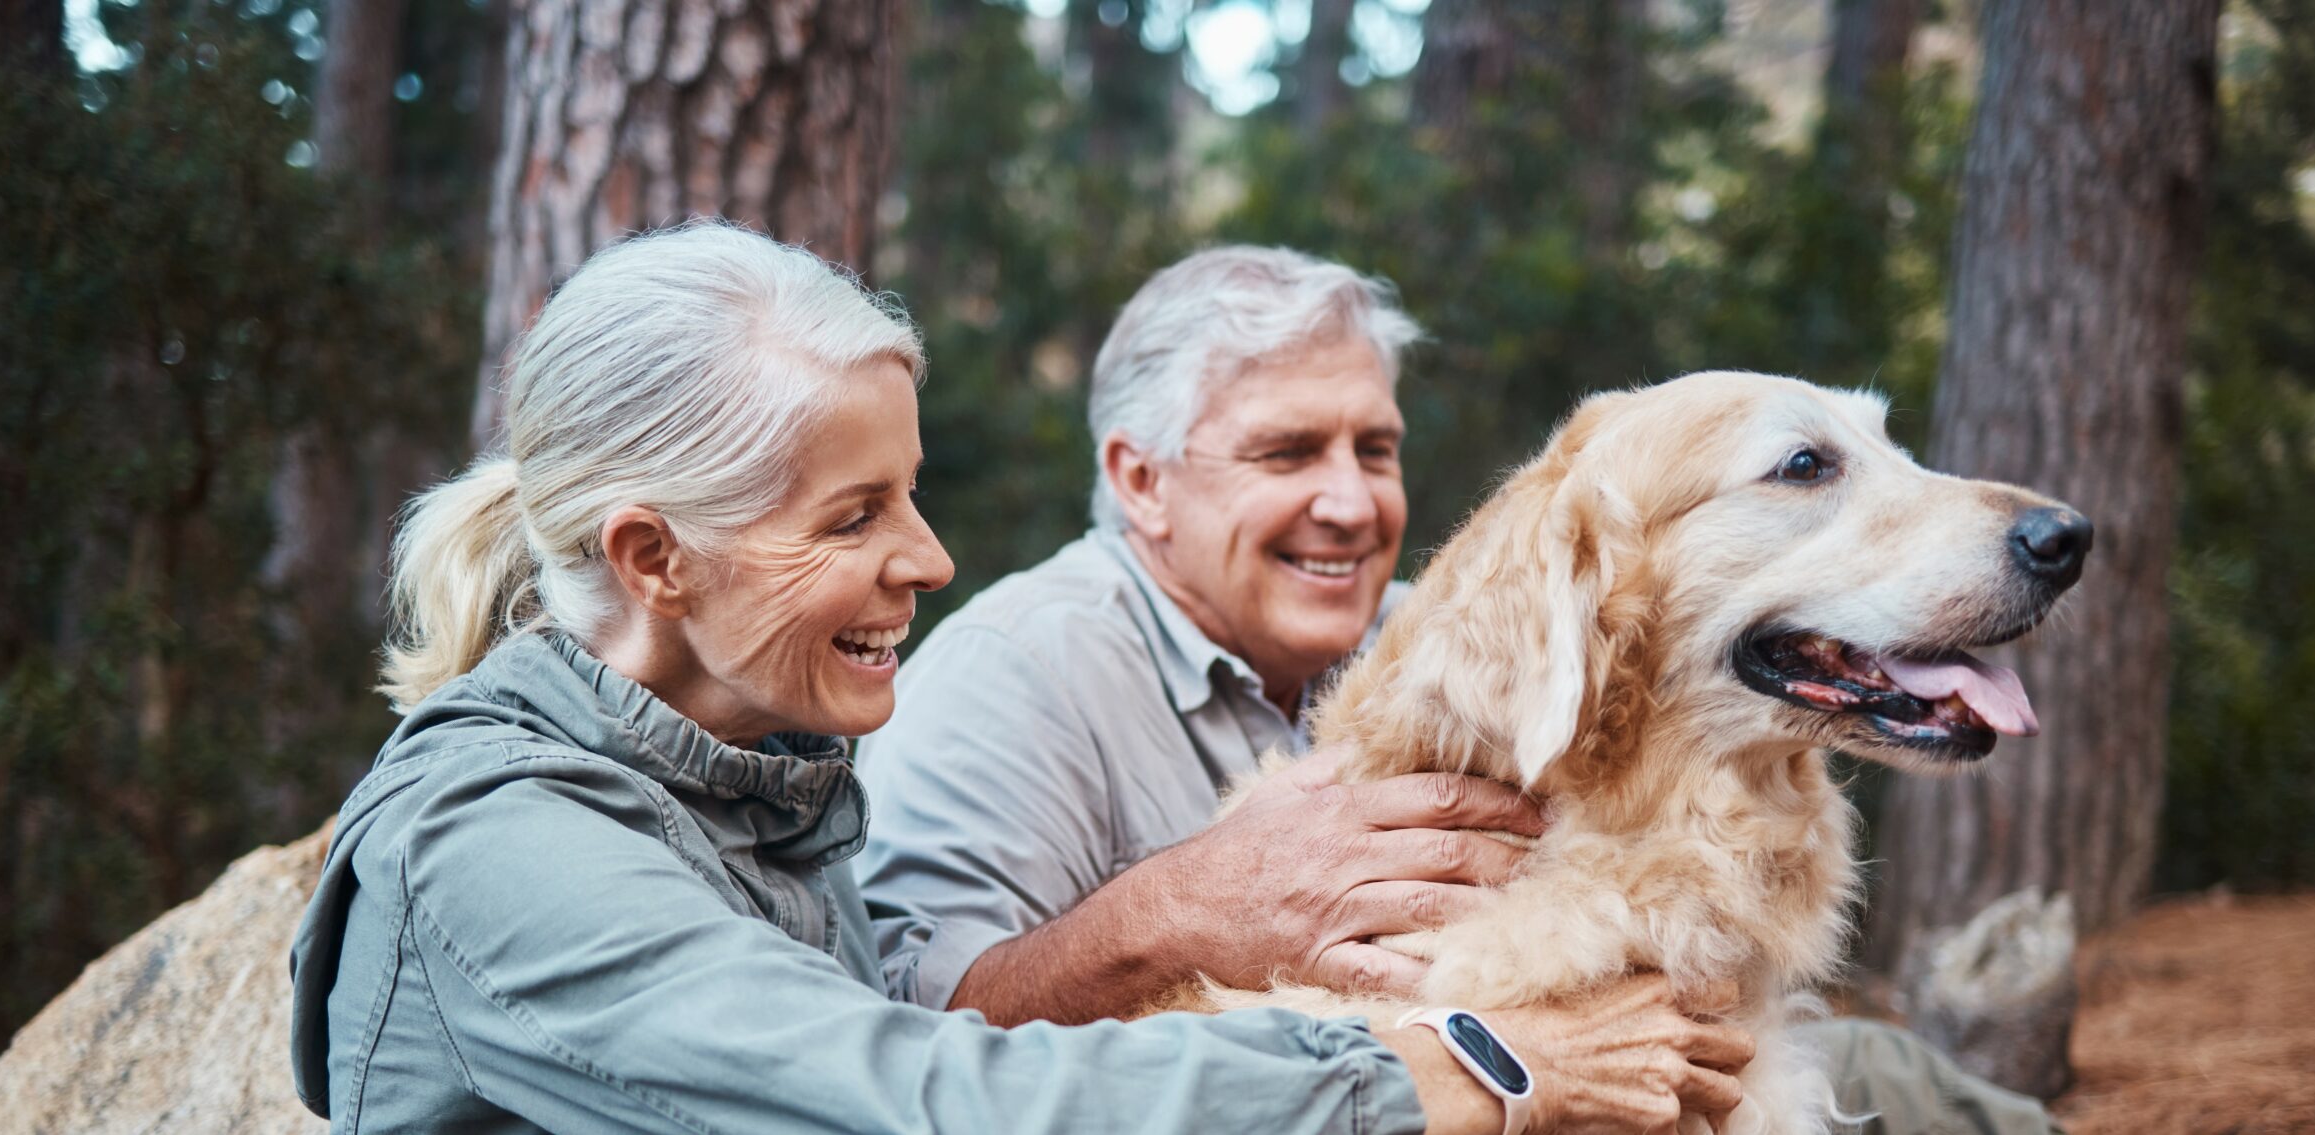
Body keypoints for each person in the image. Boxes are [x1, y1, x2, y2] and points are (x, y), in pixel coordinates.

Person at [285, 221, 1756, 1135]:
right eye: (853, 518)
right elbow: (914, 1096)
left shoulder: (758, 772)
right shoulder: (493, 840)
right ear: (656, 557)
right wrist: (1476, 1069)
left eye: (906, 496)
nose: (928, 557)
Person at [855, 246, 2061, 1133]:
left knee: (1902, 1083)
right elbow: (922, 1038)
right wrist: (1178, 908)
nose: (1352, 501)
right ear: (1142, 481)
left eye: (1374, 450)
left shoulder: (1447, 646)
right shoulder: (1016, 667)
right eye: (1288, 452)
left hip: (1622, 1053)